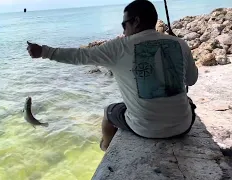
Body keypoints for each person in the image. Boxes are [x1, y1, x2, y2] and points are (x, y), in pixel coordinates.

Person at [26, 0, 198, 151]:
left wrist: (44, 51)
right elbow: (192, 79)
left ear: (136, 21)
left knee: (109, 112)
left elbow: (80, 56)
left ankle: (106, 146)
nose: (123, 31)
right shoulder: (179, 43)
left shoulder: (119, 47)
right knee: (186, 102)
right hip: (184, 126)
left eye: (124, 25)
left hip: (146, 130)